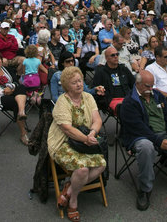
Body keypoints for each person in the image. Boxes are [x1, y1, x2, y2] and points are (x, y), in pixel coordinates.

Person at [119, 70, 167, 211]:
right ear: (137, 84)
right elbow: (137, 127)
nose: (151, 89)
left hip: (163, 133)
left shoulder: (158, 95)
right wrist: (158, 140)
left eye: (152, 86)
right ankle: (145, 189)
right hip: (140, 136)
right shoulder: (129, 102)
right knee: (146, 147)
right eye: (147, 86)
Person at [48, 66, 106, 221]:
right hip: (64, 143)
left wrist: (92, 133)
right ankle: (73, 200)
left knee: (101, 164)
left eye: (80, 81)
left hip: (85, 140)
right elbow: (67, 129)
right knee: (82, 170)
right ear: (67, 86)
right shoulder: (62, 101)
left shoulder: (88, 97)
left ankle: (69, 190)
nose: (79, 84)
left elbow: (97, 119)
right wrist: (86, 139)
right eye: (74, 83)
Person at [0, 51, 30, 145]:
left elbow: (16, 82)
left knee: (21, 87)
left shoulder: (8, 70)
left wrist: (11, 88)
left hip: (13, 93)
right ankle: (23, 133)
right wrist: (4, 91)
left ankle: (21, 112)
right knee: (15, 102)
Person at [92, 46, 134, 113]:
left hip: (127, 98)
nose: (116, 56)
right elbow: (94, 88)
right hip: (111, 100)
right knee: (125, 108)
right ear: (106, 58)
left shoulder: (124, 69)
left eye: (117, 54)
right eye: (112, 55)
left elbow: (133, 84)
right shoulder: (101, 72)